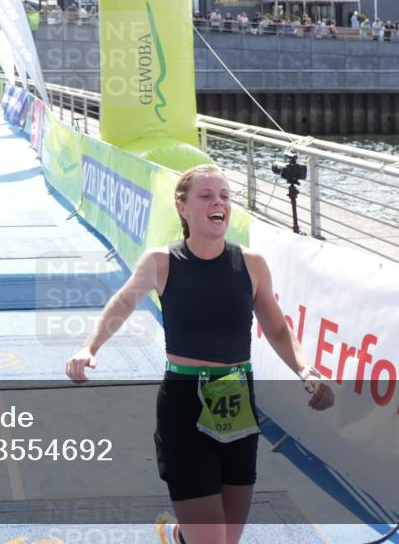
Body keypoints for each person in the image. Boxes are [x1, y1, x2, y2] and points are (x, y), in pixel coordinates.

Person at [65, 164, 334, 544]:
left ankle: (177, 536)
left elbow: (277, 328)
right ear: (182, 207)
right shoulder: (162, 261)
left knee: (227, 537)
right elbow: (123, 303)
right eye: (206, 196)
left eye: (224, 196)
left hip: (236, 399)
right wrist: (89, 346)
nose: (218, 203)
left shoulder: (252, 264)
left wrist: (306, 370)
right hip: (183, 404)